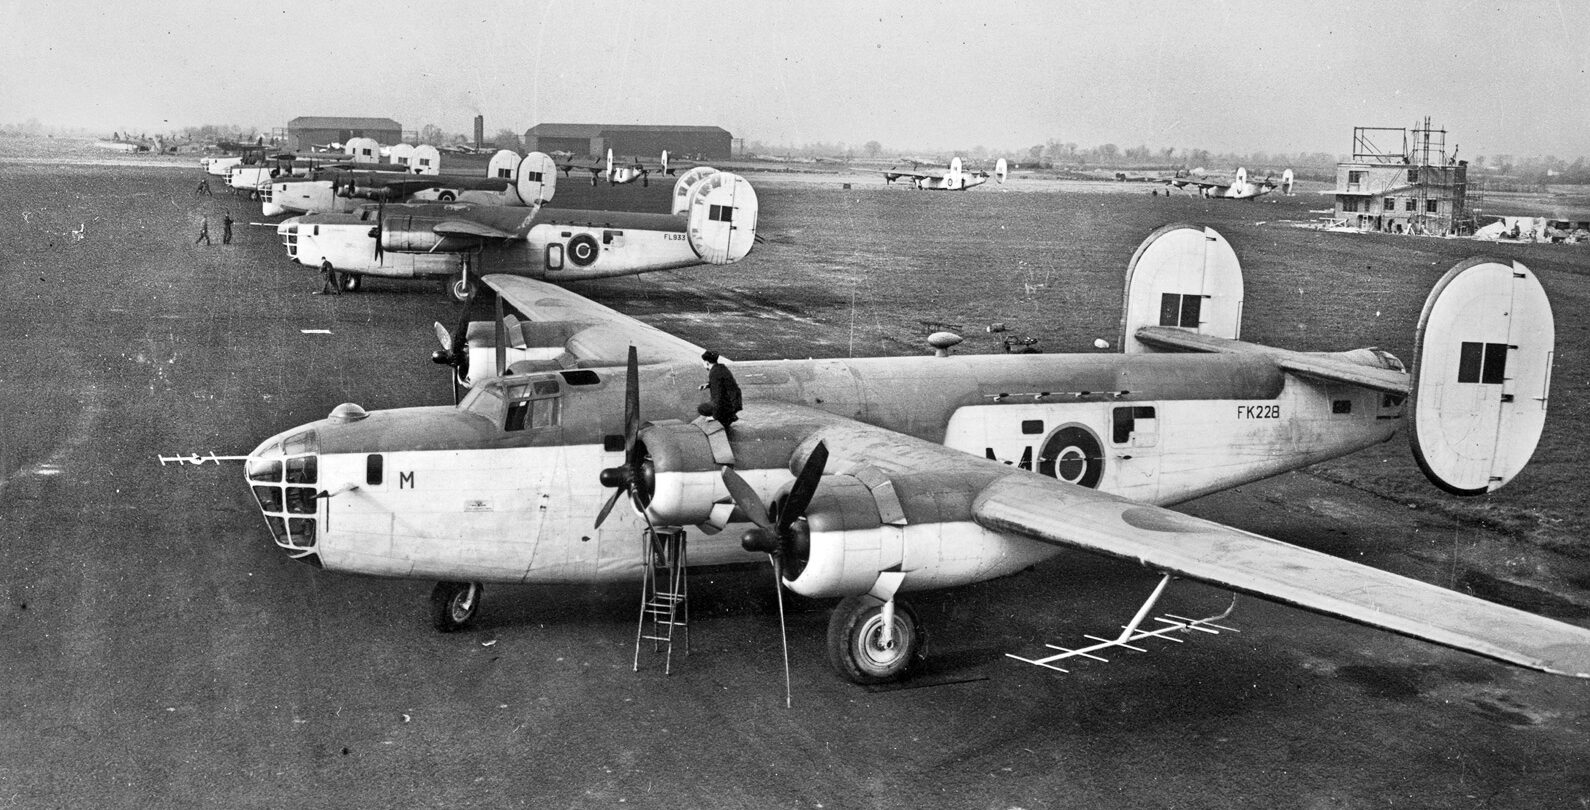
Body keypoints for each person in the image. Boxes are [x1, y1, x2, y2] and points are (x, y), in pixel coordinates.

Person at [696, 350, 741, 428]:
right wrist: (708, 384)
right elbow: (722, 382)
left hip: (728, 405)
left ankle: (725, 417)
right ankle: (728, 415)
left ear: (707, 363)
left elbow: (718, 397)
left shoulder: (713, 373)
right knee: (713, 402)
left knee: (702, 408)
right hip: (735, 402)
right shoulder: (721, 367)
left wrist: (714, 416)